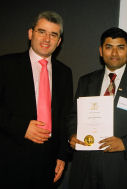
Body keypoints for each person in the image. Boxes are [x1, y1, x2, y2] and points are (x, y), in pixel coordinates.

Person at [67, 27, 127, 189]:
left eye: (120, 47)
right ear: (101, 51)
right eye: (109, 47)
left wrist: (125, 143)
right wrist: (72, 135)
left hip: (123, 170)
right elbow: (73, 116)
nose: (114, 53)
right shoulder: (86, 81)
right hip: (85, 169)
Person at [0, 11, 73, 189]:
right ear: (31, 34)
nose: (47, 39)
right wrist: (22, 127)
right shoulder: (5, 65)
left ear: (59, 41)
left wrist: (62, 155)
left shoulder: (65, 73)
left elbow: (65, 116)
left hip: (47, 165)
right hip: (8, 162)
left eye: (53, 34)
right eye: (42, 31)